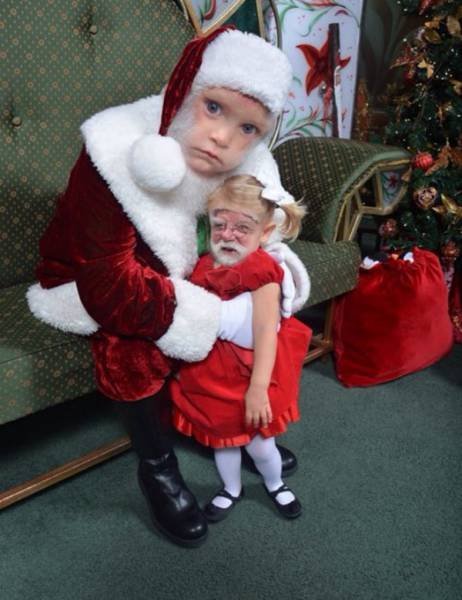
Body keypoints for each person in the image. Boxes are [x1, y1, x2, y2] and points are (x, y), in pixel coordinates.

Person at [26, 26, 310, 547]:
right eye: (214, 108)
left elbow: (263, 241)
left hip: (181, 269)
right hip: (89, 279)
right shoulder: (112, 148)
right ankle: (157, 465)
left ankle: (221, 425)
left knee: (257, 312)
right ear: (184, 92)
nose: (223, 138)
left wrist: (264, 281)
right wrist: (213, 316)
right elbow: (108, 285)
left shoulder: (251, 164)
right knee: (131, 347)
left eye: (248, 127)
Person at [170, 175, 312, 522]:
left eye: (242, 228)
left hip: (251, 372)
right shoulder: (204, 264)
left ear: (264, 232)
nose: (228, 235)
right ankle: (231, 488)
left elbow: (265, 332)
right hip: (215, 374)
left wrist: (258, 389)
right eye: (220, 225)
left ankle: (275, 483)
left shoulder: (262, 271)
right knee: (224, 441)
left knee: (261, 445)